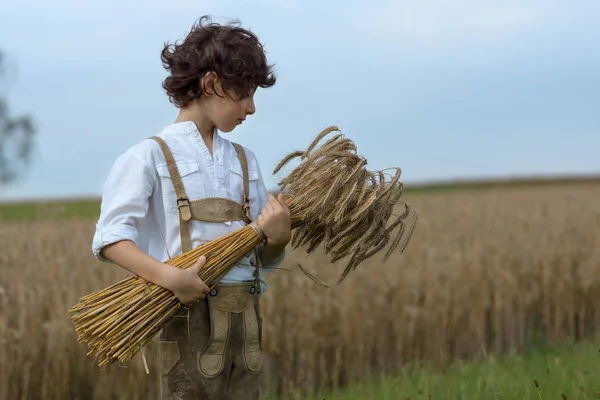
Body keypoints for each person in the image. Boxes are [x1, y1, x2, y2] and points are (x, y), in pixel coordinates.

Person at [91, 15, 291, 400]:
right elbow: (111, 237)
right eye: (244, 93)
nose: (251, 107)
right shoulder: (148, 156)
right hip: (186, 319)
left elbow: (258, 259)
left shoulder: (245, 161)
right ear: (212, 83)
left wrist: (278, 241)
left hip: (246, 325)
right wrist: (169, 278)